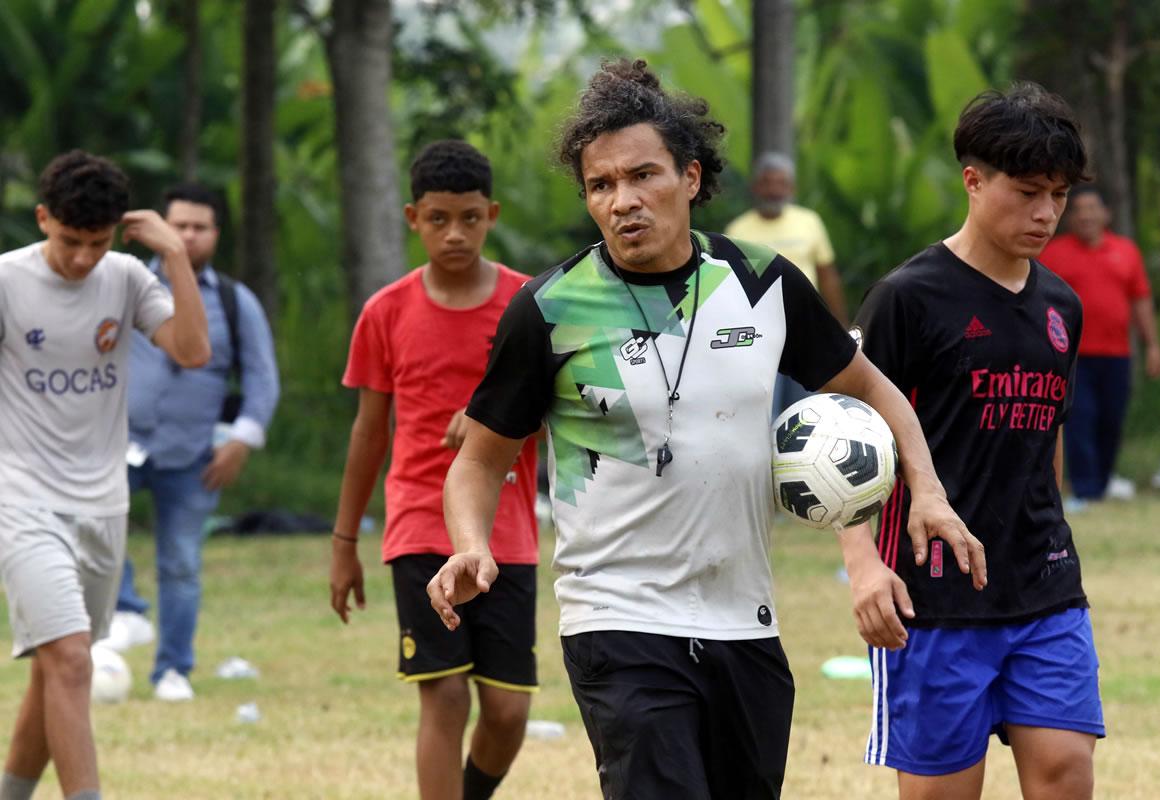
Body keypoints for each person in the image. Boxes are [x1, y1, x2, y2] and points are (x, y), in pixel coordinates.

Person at [426, 59, 984, 799]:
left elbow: (877, 391)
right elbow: (479, 460)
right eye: (601, 185)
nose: (623, 201)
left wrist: (930, 494)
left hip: (743, 622)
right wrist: (470, 545)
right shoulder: (549, 309)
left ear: (690, 178)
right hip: (615, 616)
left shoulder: (764, 282)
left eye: (642, 176)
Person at [843, 83, 1103, 800]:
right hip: (933, 598)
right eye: (1027, 192)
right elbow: (843, 447)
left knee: (1065, 776)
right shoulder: (907, 298)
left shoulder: (1061, 307)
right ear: (973, 179)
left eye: (1056, 193)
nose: (1046, 212)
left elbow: (1046, 435)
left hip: (1045, 586)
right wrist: (864, 568)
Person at [328, 140, 539, 800]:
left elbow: (557, 409)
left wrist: (490, 416)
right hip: (419, 523)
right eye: (439, 218)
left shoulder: (528, 305)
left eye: (470, 218)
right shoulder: (385, 312)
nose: (455, 233)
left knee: (507, 712)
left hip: (507, 531)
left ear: (492, 214)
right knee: (444, 697)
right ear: (412, 217)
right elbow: (368, 433)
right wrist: (344, 544)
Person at [0, 151, 209, 800]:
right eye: (69, 241)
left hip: (103, 505)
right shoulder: (7, 280)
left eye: (97, 241)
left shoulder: (124, 277)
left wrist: (175, 256)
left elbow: (193, 351)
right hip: (21, 498)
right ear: (42, 220)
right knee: (68, 657)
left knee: (54, 669)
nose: (84, 258)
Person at [103, 183, 280, 701]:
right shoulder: (129, 284)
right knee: (92, 526)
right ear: (160, 226)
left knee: (181, 562)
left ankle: (173, 670)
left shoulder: (234, 299)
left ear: (215, 234)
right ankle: (128, 611)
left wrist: (241, 441)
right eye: (178, 225)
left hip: (193, 454)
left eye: (199, 227)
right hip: (119, 442)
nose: (187, 234)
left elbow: (262, 379)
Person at [1039, 186, 1160, 504]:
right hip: (1070, 355)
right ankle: (1086, 488)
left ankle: (1104, 480)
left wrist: (1153, 346)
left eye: (1093, 208)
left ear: (1106, 214)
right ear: (1070, 217)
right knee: (1080, 419)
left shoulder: (1126, 251)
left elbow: (1141, 301)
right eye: (1079, 209)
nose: (1086, 215)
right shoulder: (1054, 252)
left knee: (1111, 418)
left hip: (1117, 354)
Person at [726, 152, 849, 420]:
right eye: (768, 183)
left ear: (791, 188)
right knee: (764, 411)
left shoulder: (809, 222)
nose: (774, 190)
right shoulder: (737, 231)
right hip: (759, 334)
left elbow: (827, 275)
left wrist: (839, 325)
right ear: (756, 187)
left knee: (807, 410)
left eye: (781, 183)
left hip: (806, 329)